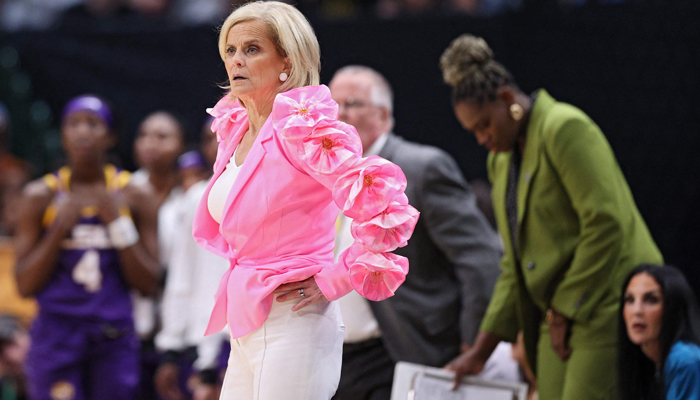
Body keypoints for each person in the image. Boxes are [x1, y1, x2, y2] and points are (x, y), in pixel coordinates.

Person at [192, 2, 417, 399]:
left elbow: (388, 209)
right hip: (247, 318)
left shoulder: (309, 130)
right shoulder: (236, 126)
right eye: (230, 50)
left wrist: (335, 278)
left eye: (252, 49)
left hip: (296, 321)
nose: (236, 61)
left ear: (287, 59)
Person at [439, 34, 663, 399]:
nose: (481, 138)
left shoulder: (564, 127)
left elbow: (606, 224)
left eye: (484, 125)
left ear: (508, 100)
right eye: (473, 132)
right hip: (555, 313)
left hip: (605, 299)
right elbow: (514, 264)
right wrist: (481, 350)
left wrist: (563, 310)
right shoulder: (500, 160)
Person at [328, 65, 510, 400]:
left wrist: (474, 342)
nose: (339, 115)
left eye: (351, 103)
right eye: (333, 105)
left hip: (404, 348)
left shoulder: (421, 168)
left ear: (383, 114)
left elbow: (480, 257)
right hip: (335, 355)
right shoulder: (325, 177)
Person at [13, 94, 160, 400]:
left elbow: (148, 283)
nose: (82, 132)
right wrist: (58, 229)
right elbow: (25, 285)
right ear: (63, 134)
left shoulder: (135, 194)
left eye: (93, 124)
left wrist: (117, 223)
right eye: (73, 124)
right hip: (56, 334)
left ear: (111, 136)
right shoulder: (39, 196)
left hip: (113, 335)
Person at [154, 123, 230, 400]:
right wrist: (171, 347)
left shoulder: (270, 188)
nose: (218, 144)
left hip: (250, 336)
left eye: (228, 134)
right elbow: (181, 276)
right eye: (210, 138)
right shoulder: (196, 198)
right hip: (202, 341)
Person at [619, 265, 700, 400]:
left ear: (674, 309)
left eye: (651, 299)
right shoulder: (648, 362)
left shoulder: (685, 360)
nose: (637, 310)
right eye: (630, 300)